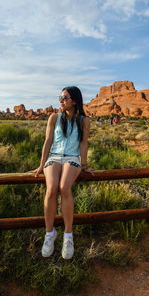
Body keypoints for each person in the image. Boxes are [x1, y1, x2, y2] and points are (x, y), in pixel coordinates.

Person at [30, 86, 90, 259]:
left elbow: (83, 143)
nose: (61, 100)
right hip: (54, 157)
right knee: (51, 189)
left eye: (65, 97)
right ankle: (50, 234)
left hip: (72, 157)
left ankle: (68, 235)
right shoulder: (54, 117)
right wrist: (41, 164)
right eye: (60, 97)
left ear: (75, 101)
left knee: (64, 188)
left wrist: (84, 164)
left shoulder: (84, 120)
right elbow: (48, 141)